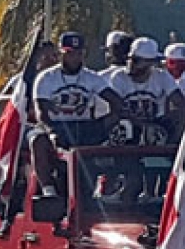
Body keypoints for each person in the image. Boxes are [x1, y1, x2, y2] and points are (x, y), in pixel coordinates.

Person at [32, 32, 126, 198]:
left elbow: (116, 102)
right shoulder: (46, 78)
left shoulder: (92, 78)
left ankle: (111, 190)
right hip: (56, 126)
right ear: (61, 53)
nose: (74, 57)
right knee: (37, 140)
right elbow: (41, 112)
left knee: (117, 139)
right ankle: (49, 191)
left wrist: (104, 124)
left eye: (79, 53)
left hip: (85, 127)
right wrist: (51, 132)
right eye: (69, 53)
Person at [104, 36, 185, 145]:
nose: (131, 64)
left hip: (157, 124)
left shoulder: (162, 76)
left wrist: (172, 122)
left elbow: (180, 103)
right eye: (130, 58)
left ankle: (173, 148)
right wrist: (144, 126)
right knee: (123, 126)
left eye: (136, 61)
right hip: (130, 126)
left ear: (151, 63)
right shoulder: (118, 77)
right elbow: (117, 110)